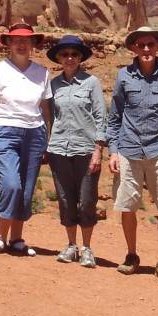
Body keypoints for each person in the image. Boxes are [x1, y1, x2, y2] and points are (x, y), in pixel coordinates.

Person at [107, 26, 158, 283]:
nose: (145, 49)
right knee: (127, 206)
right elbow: (114, 117)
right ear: (133, 48)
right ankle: (131, 255)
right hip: (128, 149)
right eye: (140, 45)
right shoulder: (124, 76)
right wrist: (113, 151)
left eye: (150, 44)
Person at [0, 22, 52, 257]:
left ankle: (17, 238)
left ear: (33, 44)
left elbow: (45, 109)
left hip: (35, 134)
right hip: (4, 132)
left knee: (26, 189)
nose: (21, 44)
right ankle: (0, 237)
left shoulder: (42, 73)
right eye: (16, 40)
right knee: (11, 184)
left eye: (26, 40)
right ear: (9, 44)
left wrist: (48, 141)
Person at [46, 35, 107, 269]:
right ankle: (71, 245)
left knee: (87, 199)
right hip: (59, 149)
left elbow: (102, 118)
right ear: (59, 58)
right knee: (65, 199)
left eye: (73, 54)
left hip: (86, 149)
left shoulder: (92, 83)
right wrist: (47, 146)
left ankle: (87, 248)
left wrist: (98, 150)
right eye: (64, 54)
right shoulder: (53, 85)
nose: (69, 58)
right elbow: (50, 117)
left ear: (80, 57)